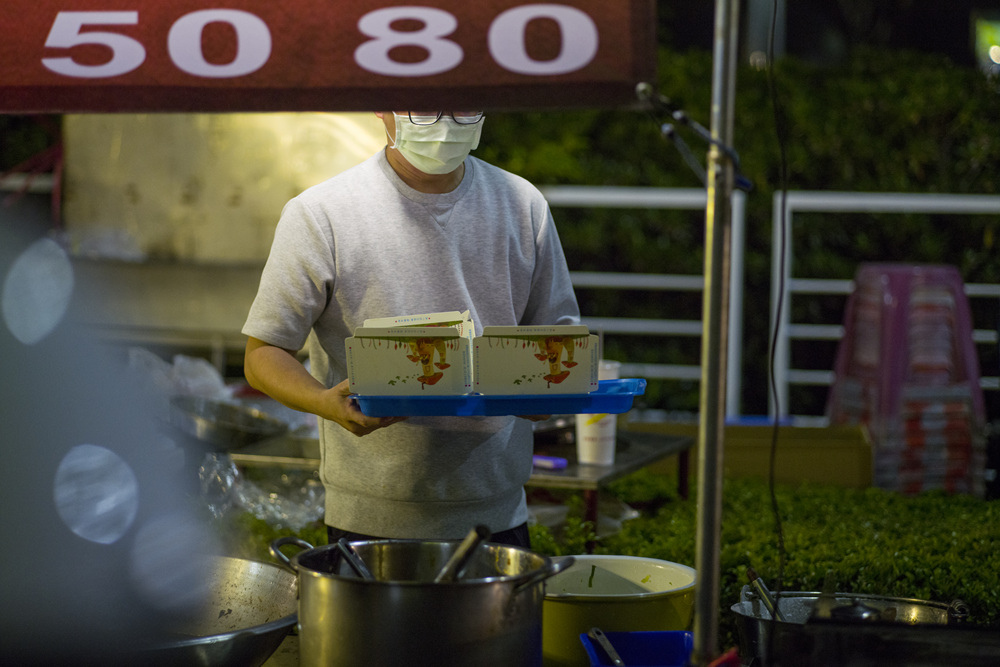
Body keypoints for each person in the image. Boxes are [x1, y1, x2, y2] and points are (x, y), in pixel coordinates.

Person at [242, 110, 580, 548]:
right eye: (422, 109)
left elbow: (557, 337)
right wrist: (326, 403)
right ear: (382, 106)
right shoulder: (321, 213)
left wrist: (548, 388)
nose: (444, 125)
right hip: (369, 516)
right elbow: (263, 353)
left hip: (498, 511)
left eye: (462, 107)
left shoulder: (522, 203)